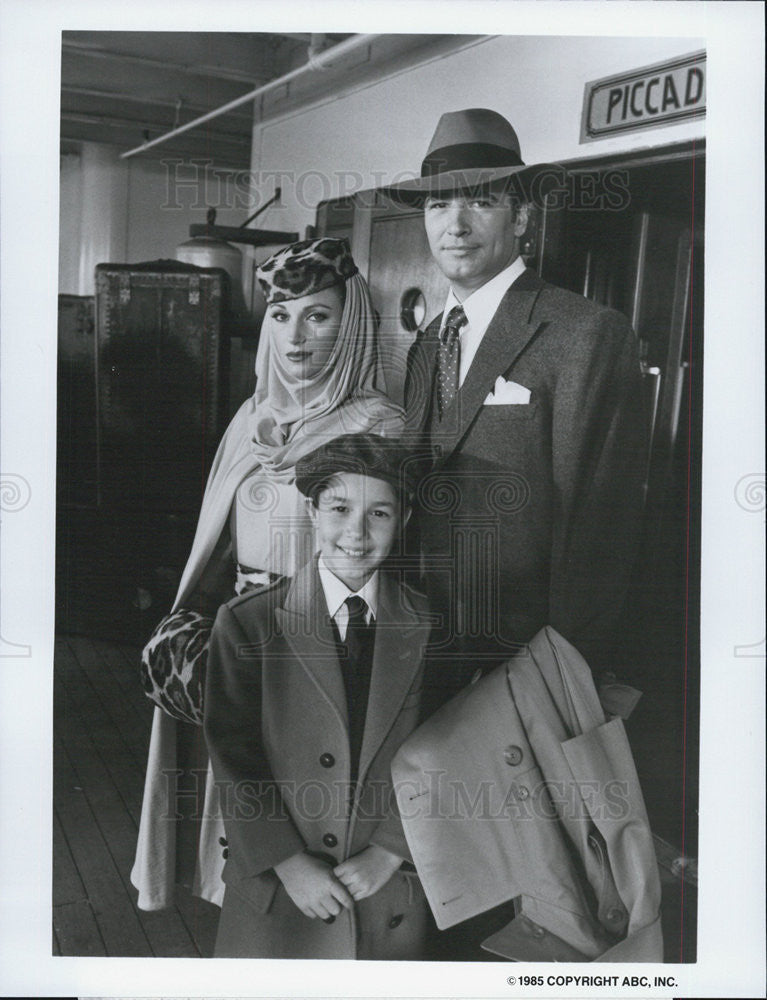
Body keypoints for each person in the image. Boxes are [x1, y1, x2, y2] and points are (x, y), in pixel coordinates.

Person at [131, 238, 405, 914]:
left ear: (351, 325)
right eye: (280, 315)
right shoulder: (250, 419)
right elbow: (216, 544)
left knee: (307, 846)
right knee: (242, 836)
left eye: (317, 315)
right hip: (237, 645)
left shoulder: (378, 426)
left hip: (319, 657)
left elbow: (378, 565)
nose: (295, 335)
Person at [388, 108, 648, 709]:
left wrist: (563, 677)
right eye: (436, 205)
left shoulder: (586, 332)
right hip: (424, 646)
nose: (454, 224)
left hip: (526, 664)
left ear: (523, 215)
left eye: (479, 202)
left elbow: (601, 530)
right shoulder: (430, 340)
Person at [204, 433, 430, 958]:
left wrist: (392, 849)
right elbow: (233, 759)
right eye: (339, 508)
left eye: (379, 514)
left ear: (404, 520)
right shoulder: (247, 623)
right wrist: (286, 861)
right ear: (311, 511)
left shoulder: (431, 626)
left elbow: (445, 747)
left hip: (384, 888)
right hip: (282, 890)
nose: (356, 532)